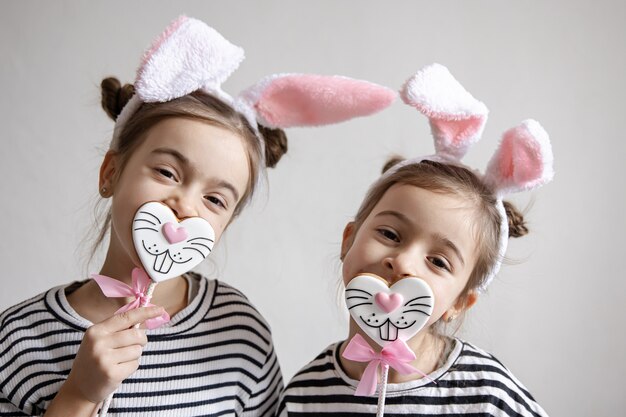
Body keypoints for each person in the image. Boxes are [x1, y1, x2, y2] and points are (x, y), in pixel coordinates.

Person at [0, 16, 395, 417]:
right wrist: (79, 395)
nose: (185, 206)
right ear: (111, 173)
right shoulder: (19, 338)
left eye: (216, 200)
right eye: (167, 173)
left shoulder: (237, 332)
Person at [278, 64, 553, 416]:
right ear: (349, 239)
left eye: (438, 261)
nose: (404, 262)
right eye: (390, 234)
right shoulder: (306, 392)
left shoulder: (489, 394)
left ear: (460, 302)